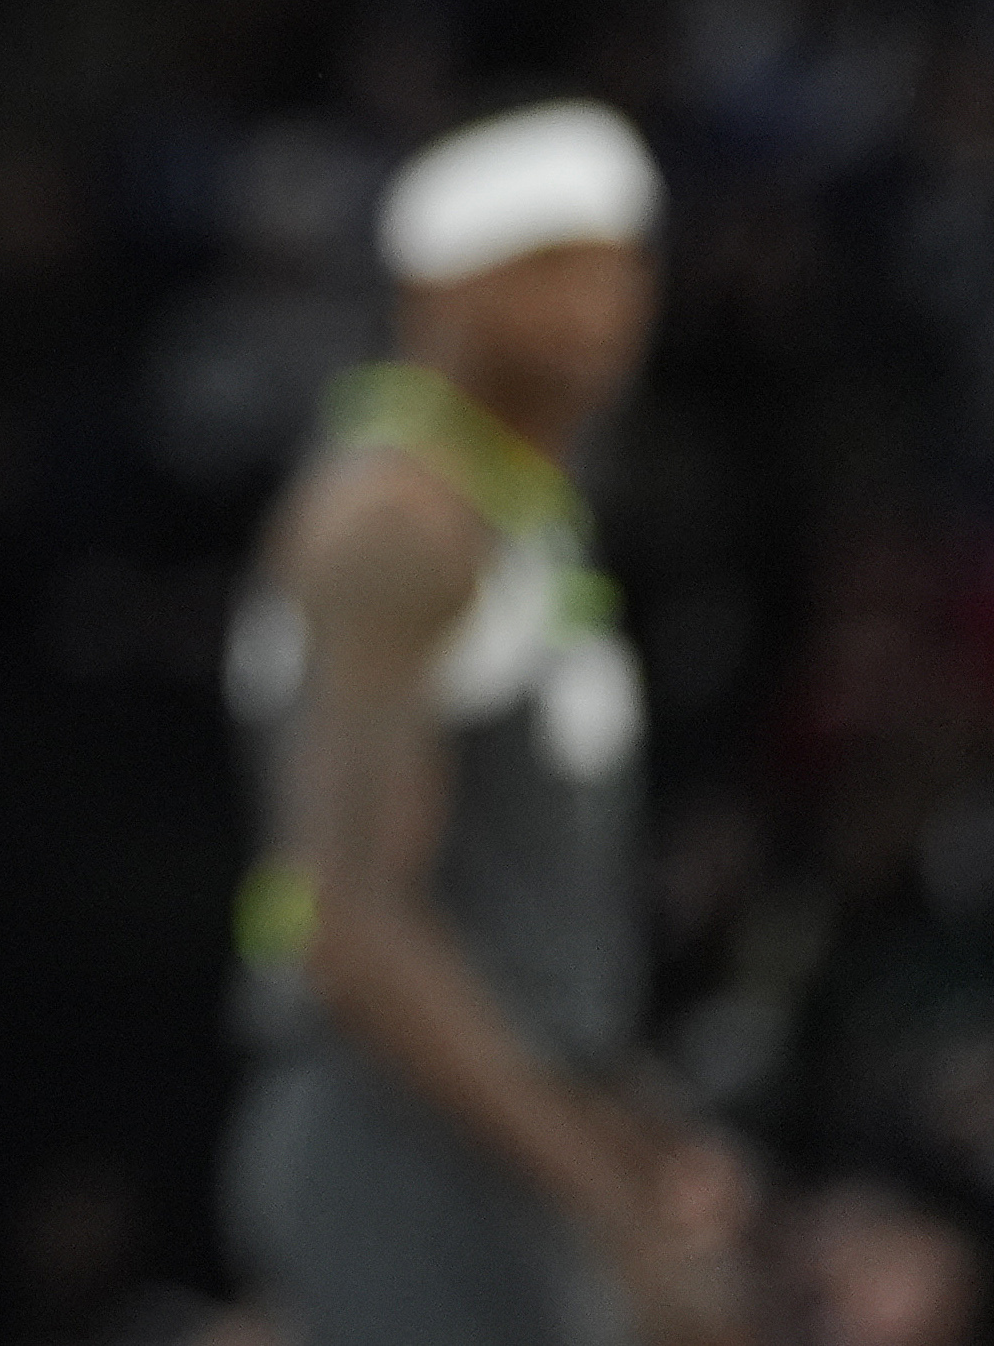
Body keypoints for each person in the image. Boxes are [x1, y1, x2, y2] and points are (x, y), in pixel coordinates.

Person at [224, 100, 744, 1344]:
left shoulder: (520, 520)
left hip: (485, 1134)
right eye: (549, 267)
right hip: (394, 1135)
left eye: (621, 265)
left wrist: (623, 1118)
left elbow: (506, 923)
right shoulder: (396, 524)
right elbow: (354, 928)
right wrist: (607, 1206)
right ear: (438, 289)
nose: (599, 305)